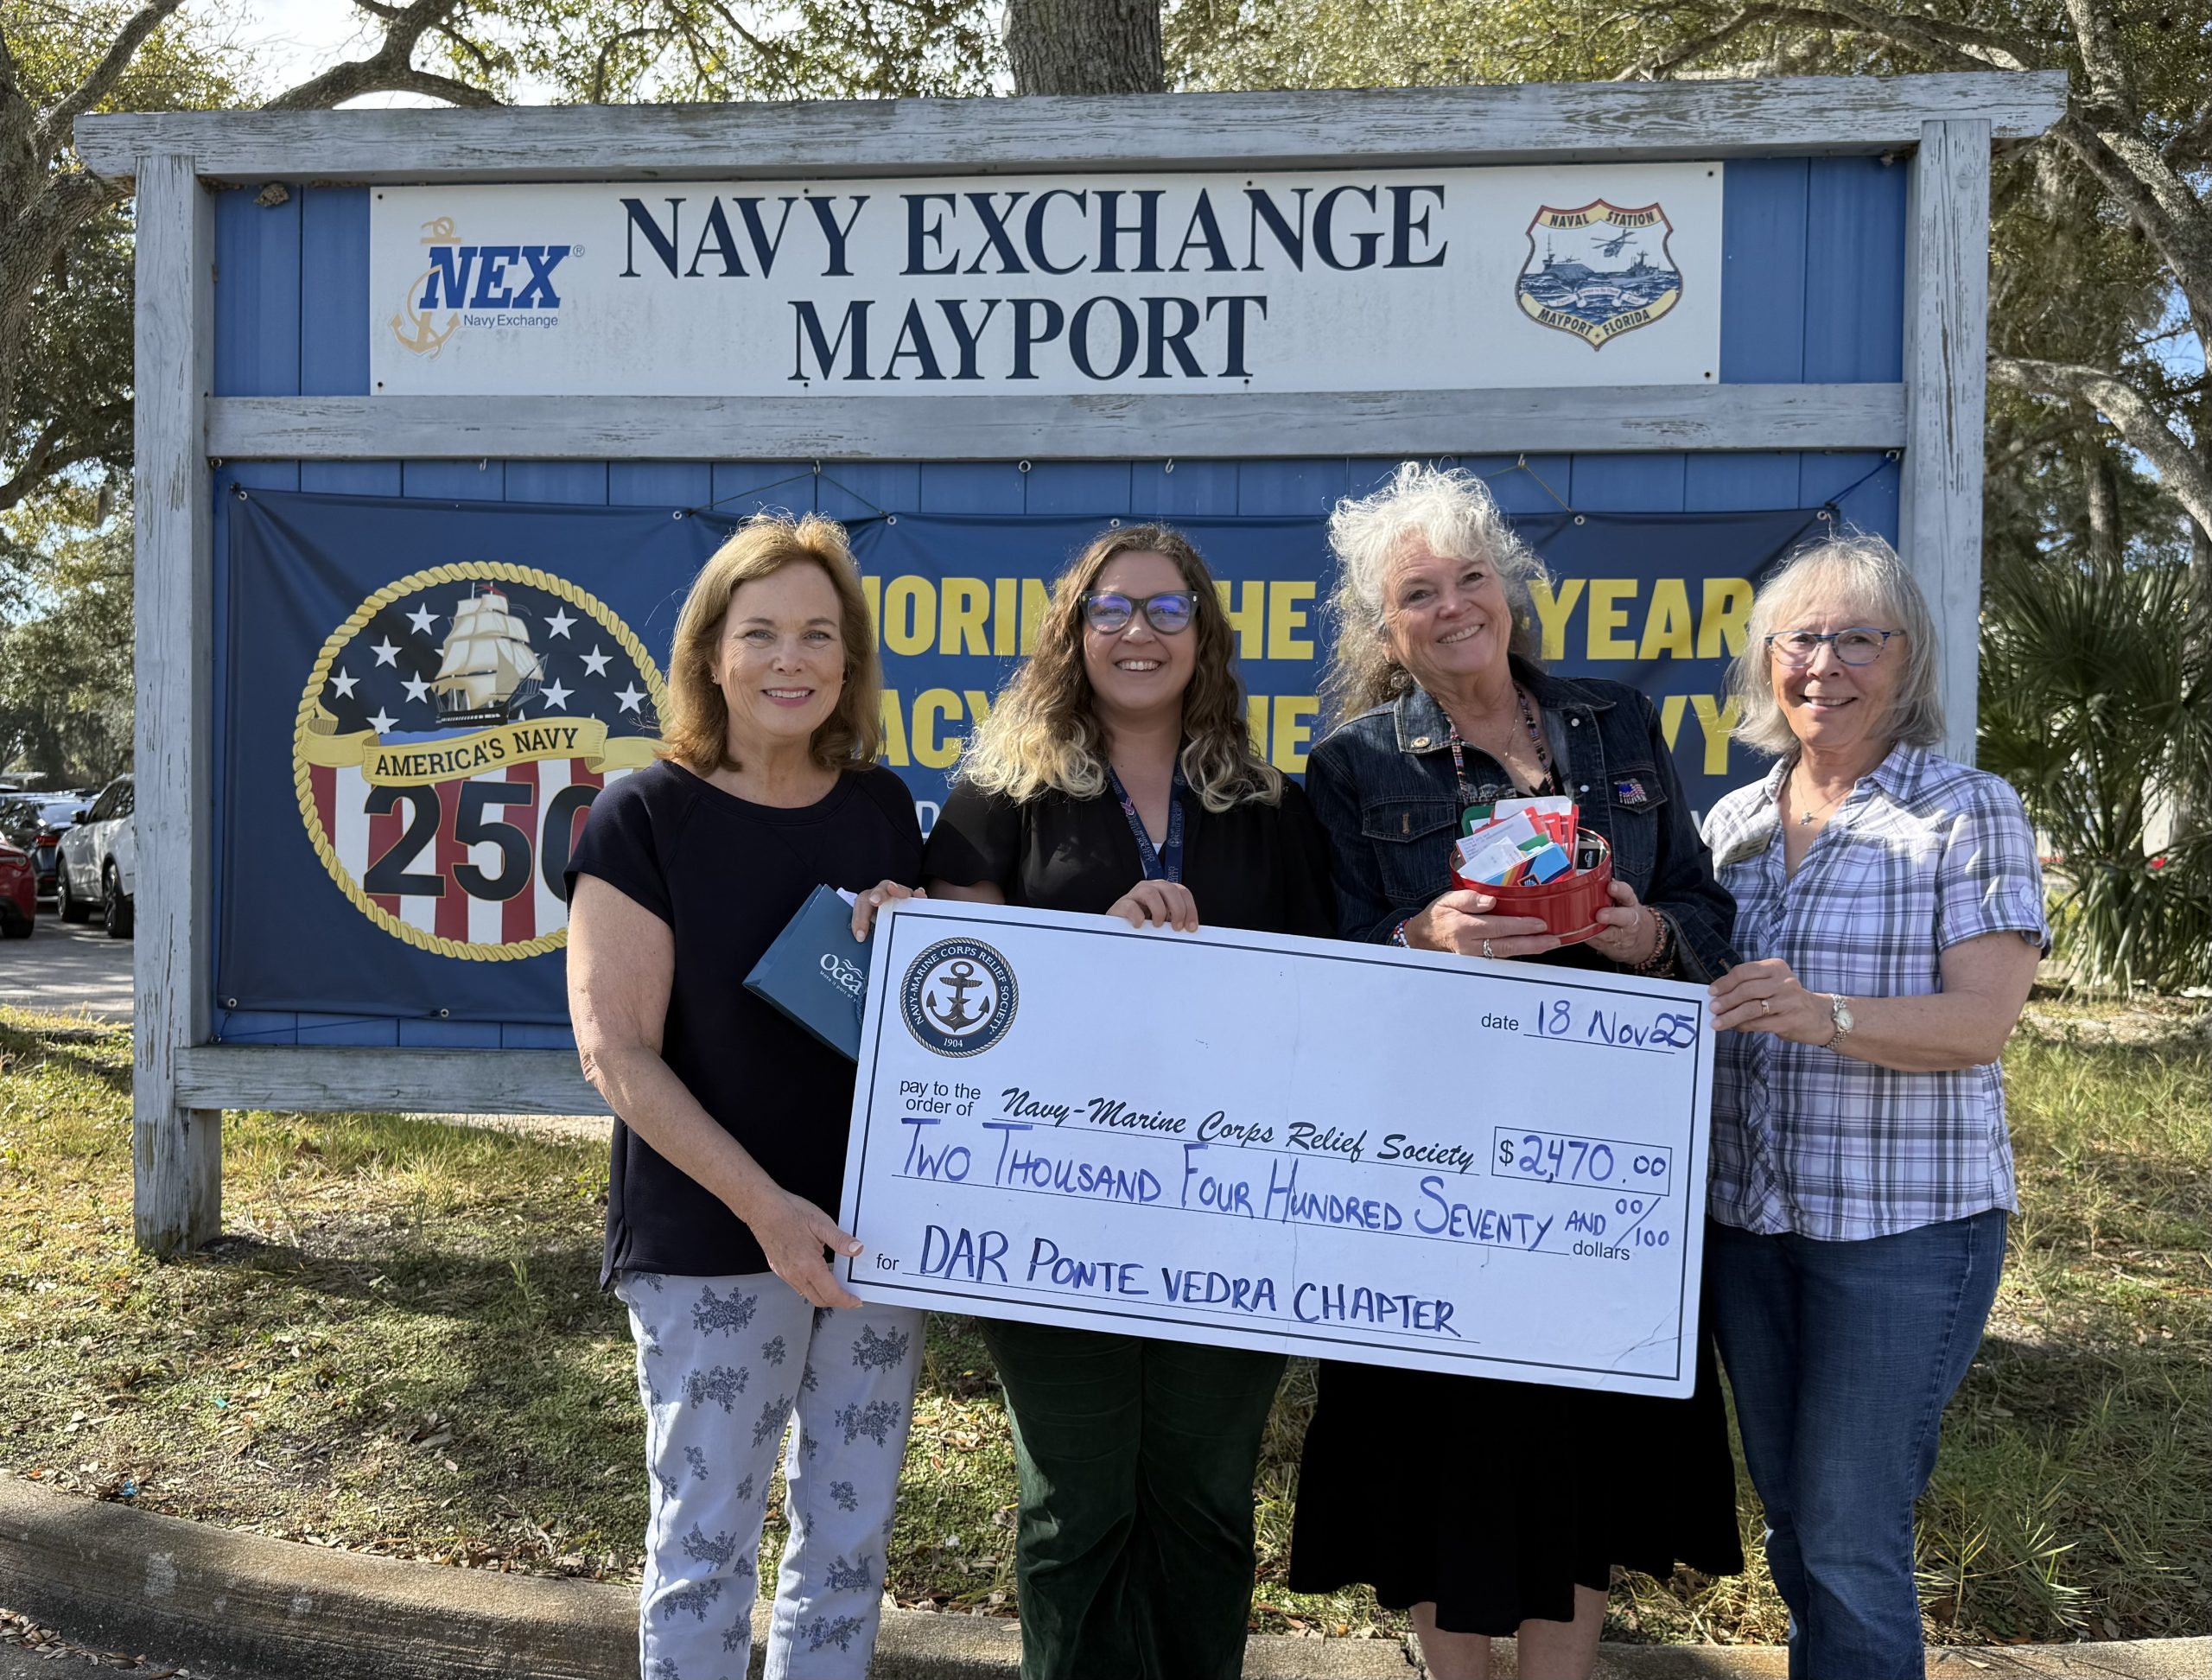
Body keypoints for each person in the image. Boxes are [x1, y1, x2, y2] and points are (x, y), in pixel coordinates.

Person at [1287, 462, 1743, 1680]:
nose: (1453, 607)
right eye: (1417, 593)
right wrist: (1418, 936)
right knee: (1429, 1440)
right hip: (1436, 1171)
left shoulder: (1618, 721)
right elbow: (1318, 965)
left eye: (1470, 577)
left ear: (1511, 588)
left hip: (1604, 1166)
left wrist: (1654, 936)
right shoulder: (1353, 767)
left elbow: (1705, 905)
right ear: (1384, 629)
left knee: (1585, 1443)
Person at [918, 523, 1336, 1680]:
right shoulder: (999, 796)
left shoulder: (1273, 807)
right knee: (1076, 1506)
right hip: (1048, 1202)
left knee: (1204, 1500)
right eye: (1111, 609)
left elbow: (1323, 1006)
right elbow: (962, 1015)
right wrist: (1094, 951)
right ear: (1074, 632)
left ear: (1205, 636)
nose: (1138, 632)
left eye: (1166, 609)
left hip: (1232, 1209)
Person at [566, 512, 930, 1680]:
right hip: (713, 1240)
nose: (791, 659)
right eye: (761, 631)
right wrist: (767, 1208)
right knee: (705, 1545)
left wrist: (913, 934)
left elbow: (924, 1028)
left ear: (849, 658)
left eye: (819, 634)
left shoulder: (883, 810)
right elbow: (615, 1053)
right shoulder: (642, 815)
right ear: (712, 653)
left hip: (870, 1237)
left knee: (849, 1548)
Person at [1700, 533, 2045, 1680]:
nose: (1825, 666)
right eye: (1801, 638)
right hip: (1751, 1229)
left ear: (1908, 659)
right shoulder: (1732, 826)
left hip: (1904, 1234)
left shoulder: (1967, 812)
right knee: (1795, 1523)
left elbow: (1981, 1023)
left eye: (1860, 639)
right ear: (1766, 660)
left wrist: (1828, 1016)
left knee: (1852, 1536)